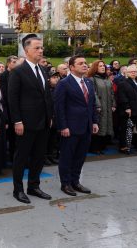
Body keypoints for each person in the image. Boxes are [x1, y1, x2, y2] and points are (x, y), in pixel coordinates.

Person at [8, 34, 53, 204]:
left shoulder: (42, 70)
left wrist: (50, 116)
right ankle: (18, 190)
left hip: (43, 122)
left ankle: (34, 186)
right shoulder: (18, 71)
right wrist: (17, 121)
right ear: (27, 50)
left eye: (41, 48)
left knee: (39, 156)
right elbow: (12, 98)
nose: (41, 51)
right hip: (25, 123)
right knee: (21, 157)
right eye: (37, 48)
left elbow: (46, 96)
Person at [54, 55, 99, 196]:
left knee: (80, 156)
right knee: (67, 156)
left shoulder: (88, 82)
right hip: (70, 127)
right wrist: (63, 126)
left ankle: (75, 181)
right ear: (72, 67)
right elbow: (59, 107)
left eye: (85, 63)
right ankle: (65, 184)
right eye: (81, 63)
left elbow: (91, 104)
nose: (85, 65)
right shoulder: (64, 83)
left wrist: (94, 121)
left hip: (86, 126)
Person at [88, 60, 116, 154]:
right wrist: (97, 105)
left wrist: (113, 104)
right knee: (98, 126)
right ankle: (95, 147)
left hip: (107, 106)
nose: (103, 67)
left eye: (103, 66)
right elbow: (93, 93)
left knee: (106, 125)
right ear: (95, 67)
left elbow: (112, 93)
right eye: (100, 66)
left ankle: (102, 146)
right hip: (99, 107)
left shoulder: (107, 79)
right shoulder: (92, 79)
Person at [117, 65, 137, 154]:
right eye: (131, 72)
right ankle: (123, 147)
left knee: (132, 129)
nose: (133, 73)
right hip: (127, 111)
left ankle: (131, 145)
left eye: (135, 71)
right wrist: (127, 108)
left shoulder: (136, 82)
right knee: (125, 129)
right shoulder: (123, 83)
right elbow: (122, 97)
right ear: (126, 73)